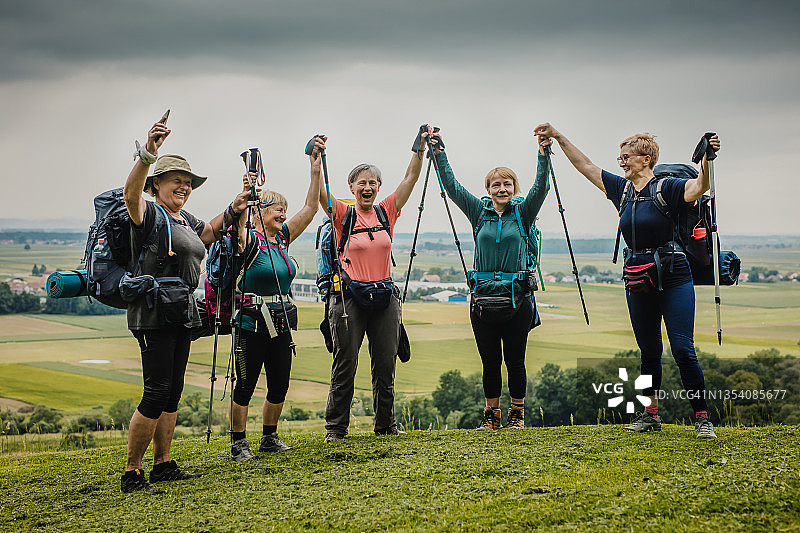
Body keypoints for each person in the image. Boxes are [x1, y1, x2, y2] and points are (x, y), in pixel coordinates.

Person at [534, 122, 720, 439]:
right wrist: (559, 137)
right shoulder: (621, 191)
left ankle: (702, 419)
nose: (621, 161)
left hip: (674, 275)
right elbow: (586, 166)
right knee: (648, 351)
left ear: (645, 159)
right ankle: (650, 415)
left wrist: (707, 157)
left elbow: (700, 186)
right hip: (637, 277)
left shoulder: (670, 187)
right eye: (620, 157)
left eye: (627, 156)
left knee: (682, 350)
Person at [120, 115, 250, 492]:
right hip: (153, 311)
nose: (184, 186)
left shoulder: (183, 217)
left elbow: (209, 233)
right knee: (156, 390)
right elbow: (130, 195)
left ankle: (163, 463)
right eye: (176, 180)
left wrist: (236, 205)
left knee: (172, 390)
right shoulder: (147, 213)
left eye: (188, 182)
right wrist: (148, 152)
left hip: (179, 310)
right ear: (155, 184)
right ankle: (132, 471)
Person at [432, 131, 551, 430]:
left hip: (517, 298)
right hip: (482, 299)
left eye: (507, 184)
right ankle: (491, 416)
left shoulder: (524, 213)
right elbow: (453, 187)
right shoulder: (478, 212)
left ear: (514, 187)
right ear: (487, 188)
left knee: (515, 360)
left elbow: (541, 187)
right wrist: (440, 153)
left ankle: (517, 415)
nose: (502, 189)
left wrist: (542, 155)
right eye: (496, 184)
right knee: (489, 362)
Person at [321, 128, 431, 441]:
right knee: (346, 363)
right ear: (352, 188)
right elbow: (320, 196)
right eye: (362, 183)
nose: (367, 187)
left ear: (378, 187)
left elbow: (410, 177)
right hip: (348, 297)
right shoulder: (343, 215)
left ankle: (386, 426)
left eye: (373, 183)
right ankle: (336, 429)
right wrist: (316, 163)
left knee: (385, 364)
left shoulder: (387, 212)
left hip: (384, 295)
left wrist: (418, 148)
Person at [228, 136, 323, 460]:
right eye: (277, 208)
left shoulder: (282, 238)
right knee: (245, 384)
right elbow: (239, 226)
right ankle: (238, 442)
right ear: (260, 212)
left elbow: (310, 209)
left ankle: (269, 437)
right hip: (250, 324)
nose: (284, 212)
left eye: (284, 208)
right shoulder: (248, 240)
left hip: (280, 322)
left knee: (279, 383)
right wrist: (247, 197)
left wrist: (315, 170)